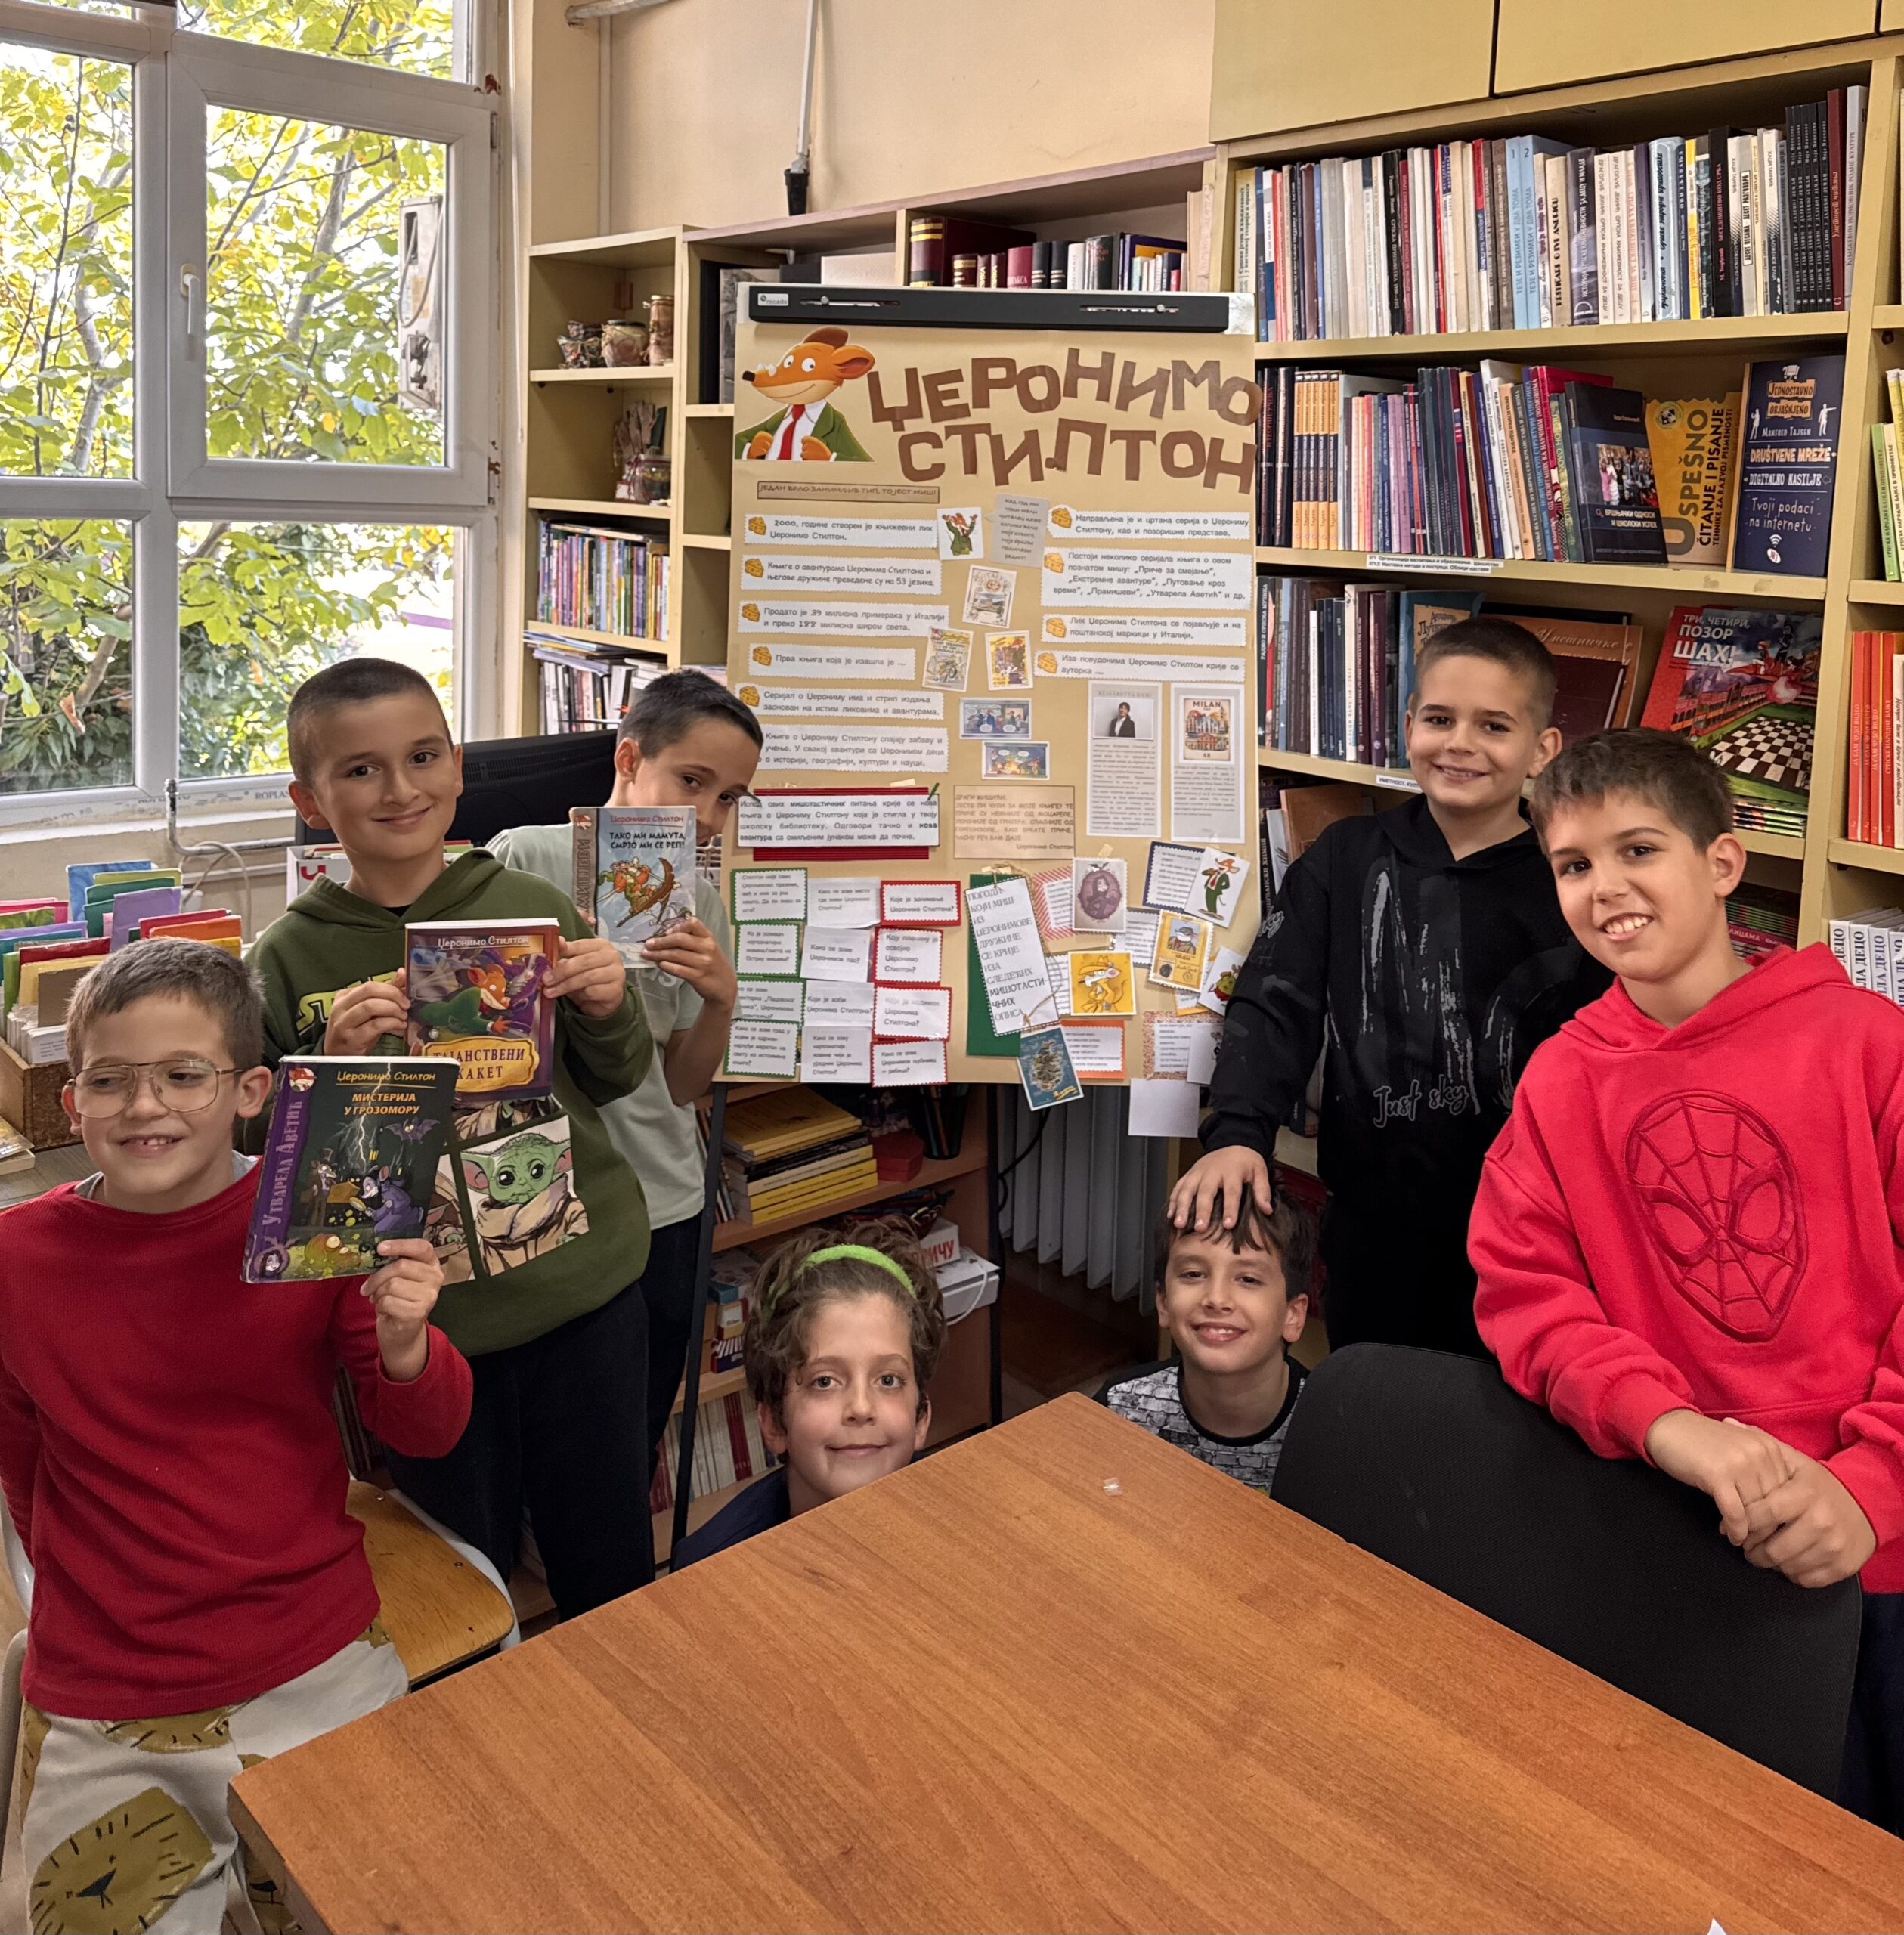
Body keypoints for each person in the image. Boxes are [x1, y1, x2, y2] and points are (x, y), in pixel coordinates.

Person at [1469, 728, 1904, 1831]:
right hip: (1671, 1532)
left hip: (1881, 1561)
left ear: (1721, 863)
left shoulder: (1869, 1045)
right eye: (1572, 864)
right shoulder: (1560, 1079)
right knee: (1707, 1836)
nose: (1604, 888)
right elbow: (1525, 1296)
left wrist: (1871, 1486)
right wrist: (1670, 1428)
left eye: (1637, 850)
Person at [0, 940, 471, 1934]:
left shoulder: (317, 1217)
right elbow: (23, 1463)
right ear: (71, 1101)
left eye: (184, 1075)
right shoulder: (16, 1260)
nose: (145, 1105)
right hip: (111, 1684)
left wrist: (404, 1342)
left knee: (396, 1903)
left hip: (314, 1652)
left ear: (252, 1091)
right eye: (109, 1080)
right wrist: (98, 1598)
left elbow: (427, 1432)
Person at [251, 658, 655, 1620]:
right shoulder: (286, 957)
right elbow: (264, 1161)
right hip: (424, 1331)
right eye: (360, 770)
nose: (400, 788)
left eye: (423, 756)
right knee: (462, 1589)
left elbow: (614, 1077)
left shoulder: (531, 907)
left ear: (459, 765)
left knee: (608, 1564)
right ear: (309, 800)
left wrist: (609, 1004)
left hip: (583, 1291)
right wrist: (328, 1064)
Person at [1171, 616, 1608, 1355]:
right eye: (1438, 719)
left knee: (1497, 1408)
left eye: (1492, 726)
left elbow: (1608, 1050)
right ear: (1407, 728)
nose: (1459, 743)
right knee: (1374, 1396)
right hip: (1370, 1225)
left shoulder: (1571, 881)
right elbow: (1275, 998)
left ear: (1542, 749)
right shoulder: (1345, 855)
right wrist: (1239, 1130)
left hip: (1525, 1234)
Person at [488, 670, 761, 1471]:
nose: (707, 816)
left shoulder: (700, 901)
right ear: (629, 758)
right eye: (692, 782)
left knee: (629, 1431)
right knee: (539, 1422)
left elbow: (682, 1087)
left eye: (729, 798)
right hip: (543, 1192)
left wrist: (720, 1000)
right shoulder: (525, 856)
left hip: (662, 1201)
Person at [670, 1218, 946, 1568]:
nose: (861, 1408)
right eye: (824, 1382)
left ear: (921, 1417)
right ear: (774, 1422)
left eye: (888, 1380)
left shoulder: (967, 1523)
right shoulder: (710, 1568)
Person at [1098, 1194, 1314, 1494]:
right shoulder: (1120, 1406)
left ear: (1293, 1315)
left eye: (1248, 1279)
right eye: (1193, 1274)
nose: (1216, 1298)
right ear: (1163, 1303)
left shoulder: (1330, 1428)